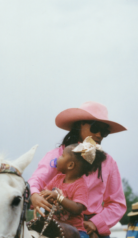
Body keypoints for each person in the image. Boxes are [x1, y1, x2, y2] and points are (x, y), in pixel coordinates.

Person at [28, 101, 127, 238]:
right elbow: (37, 180)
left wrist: (96, 223)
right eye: (95, 127)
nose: (99, 134)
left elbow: (117, 203)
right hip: (56, 225)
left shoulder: (108, 163)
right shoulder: (57, 155)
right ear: (80, 124)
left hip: (90, 229)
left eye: (104, 132)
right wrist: (34, 195)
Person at [41, 137, 107, 238]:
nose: (58, 158)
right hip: (56, 228)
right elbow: (44, 191)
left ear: (70, 165)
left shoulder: (80, 185)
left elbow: (77, 208)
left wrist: (58, 197)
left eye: (62, 155)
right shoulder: (57, 178)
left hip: (76, 232)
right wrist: (43, 196)